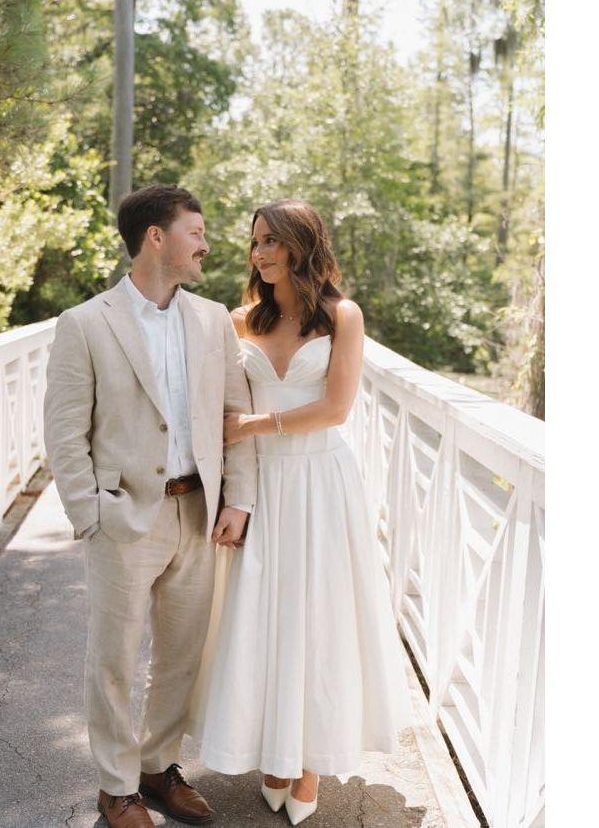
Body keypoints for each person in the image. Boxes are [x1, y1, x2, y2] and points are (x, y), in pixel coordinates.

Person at [191, 199, 414, 825]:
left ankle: (311, 758)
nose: (259, 253)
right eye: (255, 242)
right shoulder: (239, 320)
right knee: (260, 614)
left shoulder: (343, 316)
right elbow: (217, 401)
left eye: (271, 241)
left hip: (322, 482)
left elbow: (336, 408)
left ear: (301, 244)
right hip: (264, 484)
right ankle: (273, 750)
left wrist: (254, 424)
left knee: (319, 615)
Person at [43, 184, 257, 828]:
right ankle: (116, 786)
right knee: (113, 658)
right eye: (196, 231)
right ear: (156, 238)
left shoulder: (213, 318)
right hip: (124, 517)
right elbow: (65, 432)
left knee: (181, 656)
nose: (206, 244)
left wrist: (238, 498)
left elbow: (235, 414)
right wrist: (91, 514)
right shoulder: (85, 323)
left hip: (199, 511)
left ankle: (158, 768)